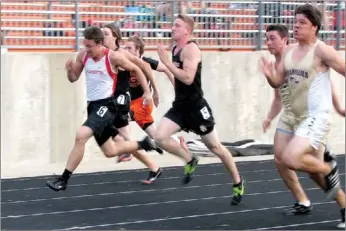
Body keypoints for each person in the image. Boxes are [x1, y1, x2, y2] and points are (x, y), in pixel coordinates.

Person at [260, 4, 345, 228]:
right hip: (291, 116)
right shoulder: (288, 51)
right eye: (295, 22)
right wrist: (270, 76)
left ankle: (329, 167)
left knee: (294, 160)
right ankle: (336, 203)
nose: (296, 27)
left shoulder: (321, 51)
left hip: (315, 117)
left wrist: (339, 106)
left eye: (302, 23)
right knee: (282, 160)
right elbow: (278, 83)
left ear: (315, 27)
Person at [46, 26, 159, 191]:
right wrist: (69, 70)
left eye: (90, 46)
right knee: (110, 150)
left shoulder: (113, 57)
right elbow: (73, 78)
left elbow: (136, 68)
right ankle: (144, 144)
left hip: (108, 105)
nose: (87, 49)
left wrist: (148, 92)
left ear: (100, 44)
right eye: (85, 45)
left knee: (81, 135)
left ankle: (63, 179)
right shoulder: (83, 56)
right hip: (93, 106)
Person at [155, 14, 245, 205]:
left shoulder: (192, 49)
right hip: (180, 107)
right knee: (160, 137)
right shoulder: (174, 48)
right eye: (173, 25)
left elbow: (187, 78)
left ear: (187, 31)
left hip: (196, 108)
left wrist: (167, 63)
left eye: (177, 26)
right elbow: (178, 78)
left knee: (216, 148)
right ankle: (190, 159)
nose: (173, 28)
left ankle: (238, 182)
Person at [101, 23, 164, 184]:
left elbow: (143, 66)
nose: (103, 36)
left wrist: (151, 91)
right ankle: (153, 165)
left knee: (122, 138)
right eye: (101, 34)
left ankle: (143, 152)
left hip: (120, 100)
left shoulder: (121, 53)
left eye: (106, 34)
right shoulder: (103, 53)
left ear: (115, 36)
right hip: (109, 101)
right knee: (123, 138)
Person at [114, 35, 174, 162]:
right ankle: (177, 145)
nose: (126, 50)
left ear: (138, 50)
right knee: (155, 134)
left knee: (118, 120)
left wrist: (159, 91)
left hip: (142, 103)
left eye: (129, 48)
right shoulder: (125, 63)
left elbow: (166, 69)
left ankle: (129, 150)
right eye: (125, 47)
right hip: (134, 104)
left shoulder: (146, 62)